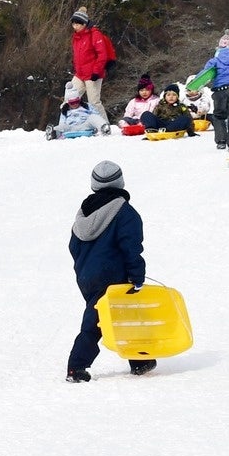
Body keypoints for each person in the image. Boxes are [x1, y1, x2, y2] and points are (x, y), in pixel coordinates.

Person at [66, 161, 152, 382]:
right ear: (120, 182)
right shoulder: (125, 212)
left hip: (87, 275)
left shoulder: (84, 213)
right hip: (112, 275)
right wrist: (137, 275)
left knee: (125, 314)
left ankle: (140, 360)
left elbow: (73, 245)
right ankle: (76, 367)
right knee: (97, 321)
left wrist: (84, 266)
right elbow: (132, 247)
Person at [70, 9, 117, 123]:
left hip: (93, 74)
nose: (75, 27)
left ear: (84, 24)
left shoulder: (95, 34)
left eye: (77, 24)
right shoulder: (76, 37)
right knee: (69, 98)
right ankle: (67, 123)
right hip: (80, 74)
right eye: (73, 24)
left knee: (94, 102)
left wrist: (96, 71)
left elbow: (102, 54)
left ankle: (104, 125)